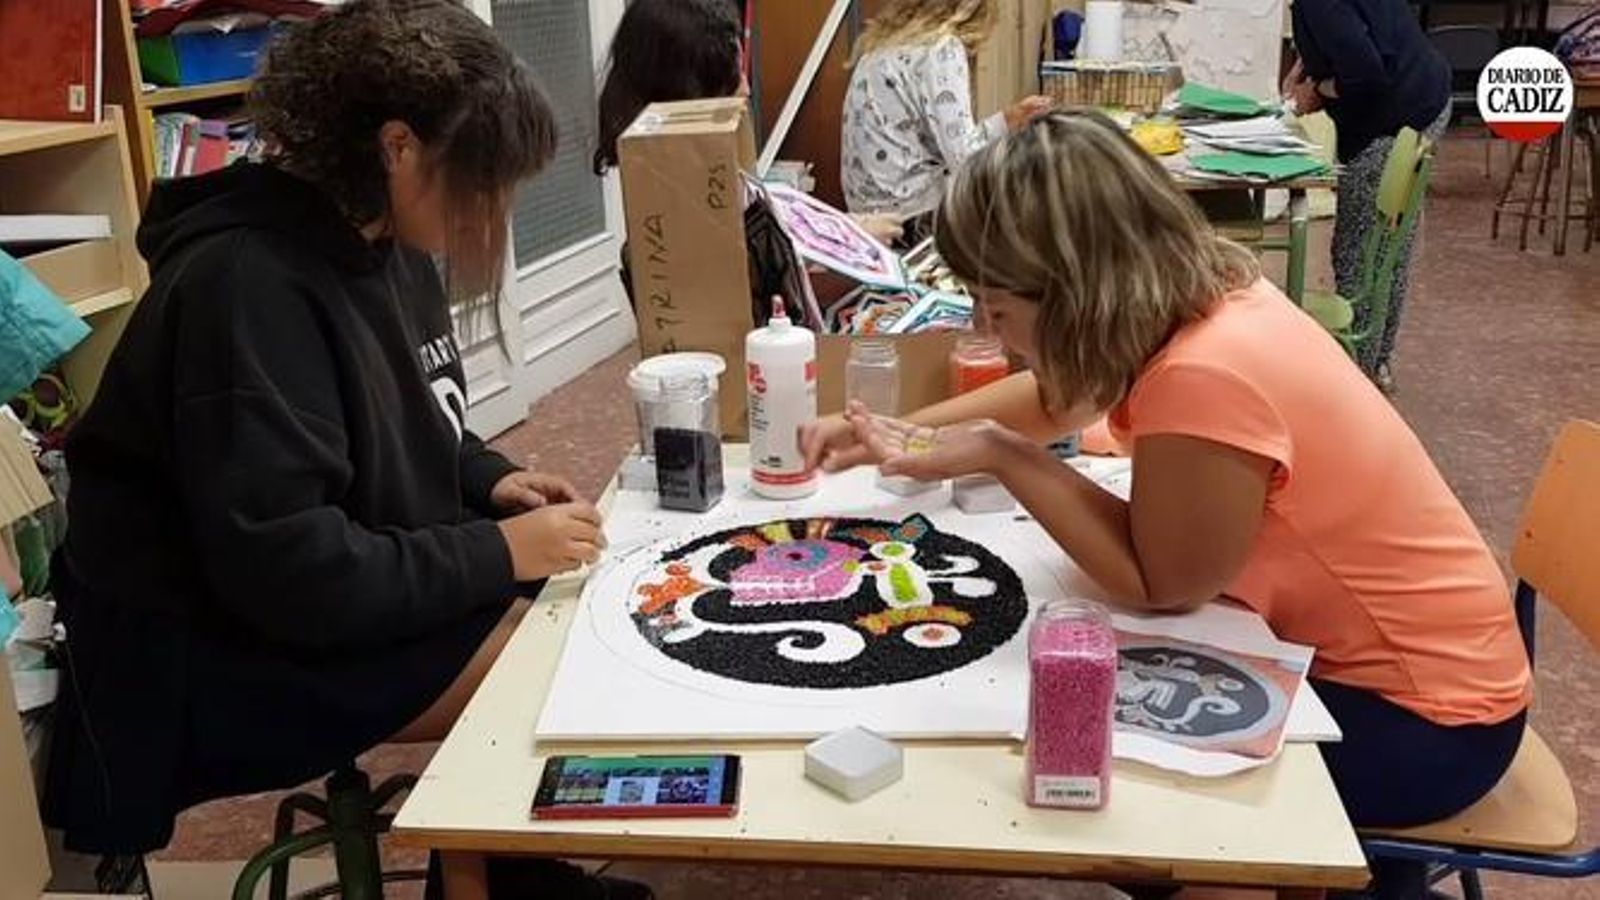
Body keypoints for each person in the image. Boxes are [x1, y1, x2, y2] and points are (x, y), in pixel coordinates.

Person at [805, 111, 1530, 900]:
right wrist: (901, 432)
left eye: (996, 307)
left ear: (1075, 294)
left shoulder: (1206, 372)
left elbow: (1161, 584)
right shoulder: (1204, 298)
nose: (987, 329)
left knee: (1097, 773)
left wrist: (1004, 455)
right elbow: (1059, 399)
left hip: (1428, 719)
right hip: (1422, 668)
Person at [43, 3, 639, 898]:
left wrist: (489, 481)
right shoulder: (244, 289)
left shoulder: (381, 242)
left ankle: (507, 870)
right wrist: (495, 551)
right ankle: (489, 880)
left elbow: (411, 420)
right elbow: (291, 574)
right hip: (210, 650)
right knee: (537, 662)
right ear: (398, 147)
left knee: (573, 606)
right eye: (484, 178)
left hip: (309, 587)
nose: (496, 207)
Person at [1282, 0, 1451, 390]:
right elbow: (1355, 31)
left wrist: (1316, 93)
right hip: (1424, 94)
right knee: (1387, 248)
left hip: (1397, 112)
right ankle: (1376, 364)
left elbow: (1365, 74)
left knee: (1360, 252)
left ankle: (1357, 377)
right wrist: (1305, 65)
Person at [841, 0, 1053, 247]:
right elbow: (966, 161)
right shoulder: (941, 49)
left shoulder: (880, 46)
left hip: (868, 222)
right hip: (912, 222)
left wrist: (1007, 119)